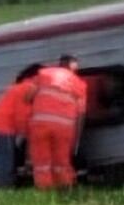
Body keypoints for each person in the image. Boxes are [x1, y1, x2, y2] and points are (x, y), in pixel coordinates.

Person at [25, 55, 87, 189]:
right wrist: (77, 140)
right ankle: (65, 189)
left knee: (42, 163)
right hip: (64, 127)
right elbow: (81, 114)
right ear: (73, 68)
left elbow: (28, 96)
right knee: (61, 162)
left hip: (41, 123)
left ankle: (45, 192)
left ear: (60, 64)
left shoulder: (44, 74)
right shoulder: (80, 84)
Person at [0, 63, 40, 187]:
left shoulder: (21, 86)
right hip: (2, 127)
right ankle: (5, 186)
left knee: (8, 156)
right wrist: (27, 134)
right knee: (7, 158)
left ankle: (9, 183)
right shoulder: (28, 88)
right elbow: (22, 115)